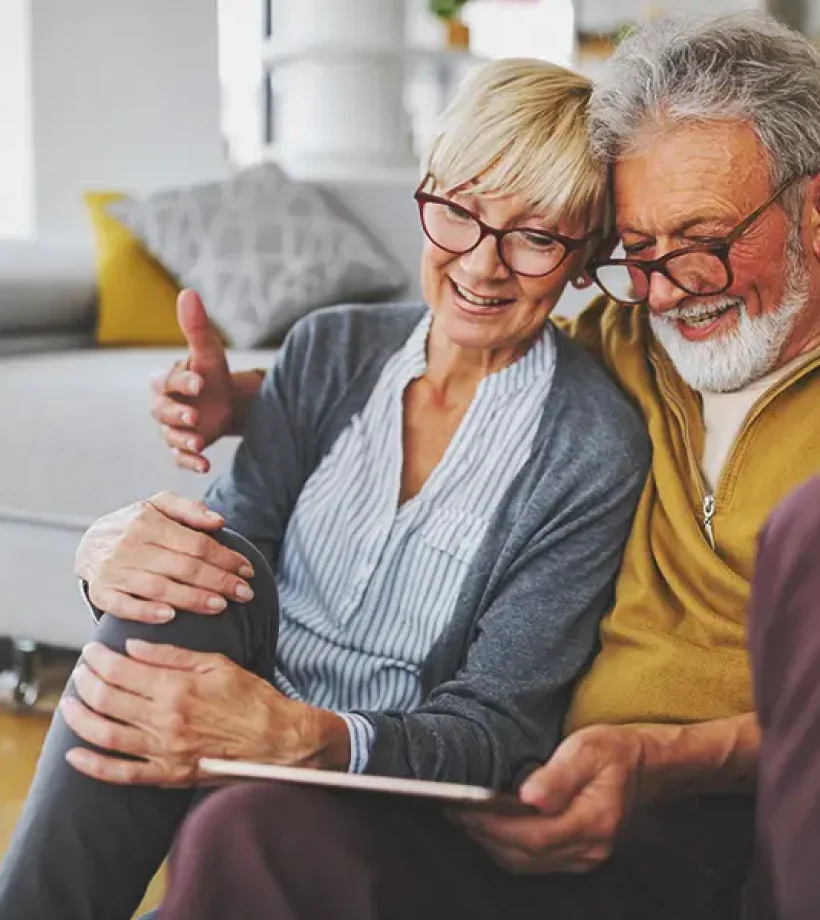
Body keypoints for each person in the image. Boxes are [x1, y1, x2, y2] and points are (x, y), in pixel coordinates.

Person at [77, 11, 820, 920]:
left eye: (699, 242)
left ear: (813, 211)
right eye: (639, 250)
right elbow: (458, 344)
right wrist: (249, 395)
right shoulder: (629, 332)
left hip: (734, 819)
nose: (664, 288)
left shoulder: (631, 411)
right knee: (250, 830)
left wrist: (667, 760)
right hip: (528, 807)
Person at [0, 60, 651, 920]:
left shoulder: (590, 446)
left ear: (582, 259)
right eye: (459, 213)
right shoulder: (330, 350)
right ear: (428, 198)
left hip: (380, 789)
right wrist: (116, 558)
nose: (482, 266)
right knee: (194, 562)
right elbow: (218, 574)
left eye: (534, 236)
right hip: (224, 734)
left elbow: (498, 731)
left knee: (249, 815)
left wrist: (300, 739)